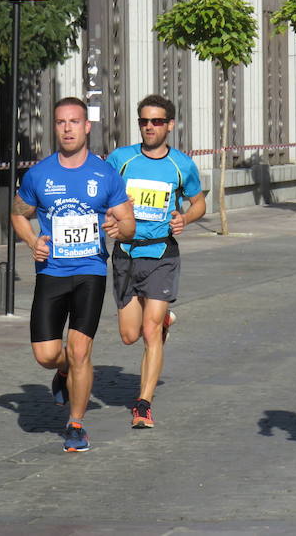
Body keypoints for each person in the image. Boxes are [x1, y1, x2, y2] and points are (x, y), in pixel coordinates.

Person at [10, 97, 135, 452]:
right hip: (51, 271)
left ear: (86, 127)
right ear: (55, 127)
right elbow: (19, 213)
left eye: (74, 122)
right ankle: (62, 372)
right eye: (61, 122)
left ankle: (76, 424)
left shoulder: (104, 174)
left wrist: (117, 227)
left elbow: (128, 224)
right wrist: (33, 240)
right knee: (47, 355)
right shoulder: (39, 174)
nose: (67, 128)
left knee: (80, 350)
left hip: (89, 271)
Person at [106, 95, 206, 428]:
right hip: (125, 253)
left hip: (162, 253)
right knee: (129, 335)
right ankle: (162, 321)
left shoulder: (181, 164)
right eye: (144, 122)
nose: (150, 127)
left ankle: (143, 404)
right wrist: (110, 216)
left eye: (157, 122)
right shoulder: (121, 159)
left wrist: (185, 219)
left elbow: (199, 202)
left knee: (149, 332)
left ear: (170, 125)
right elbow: (103, 196)